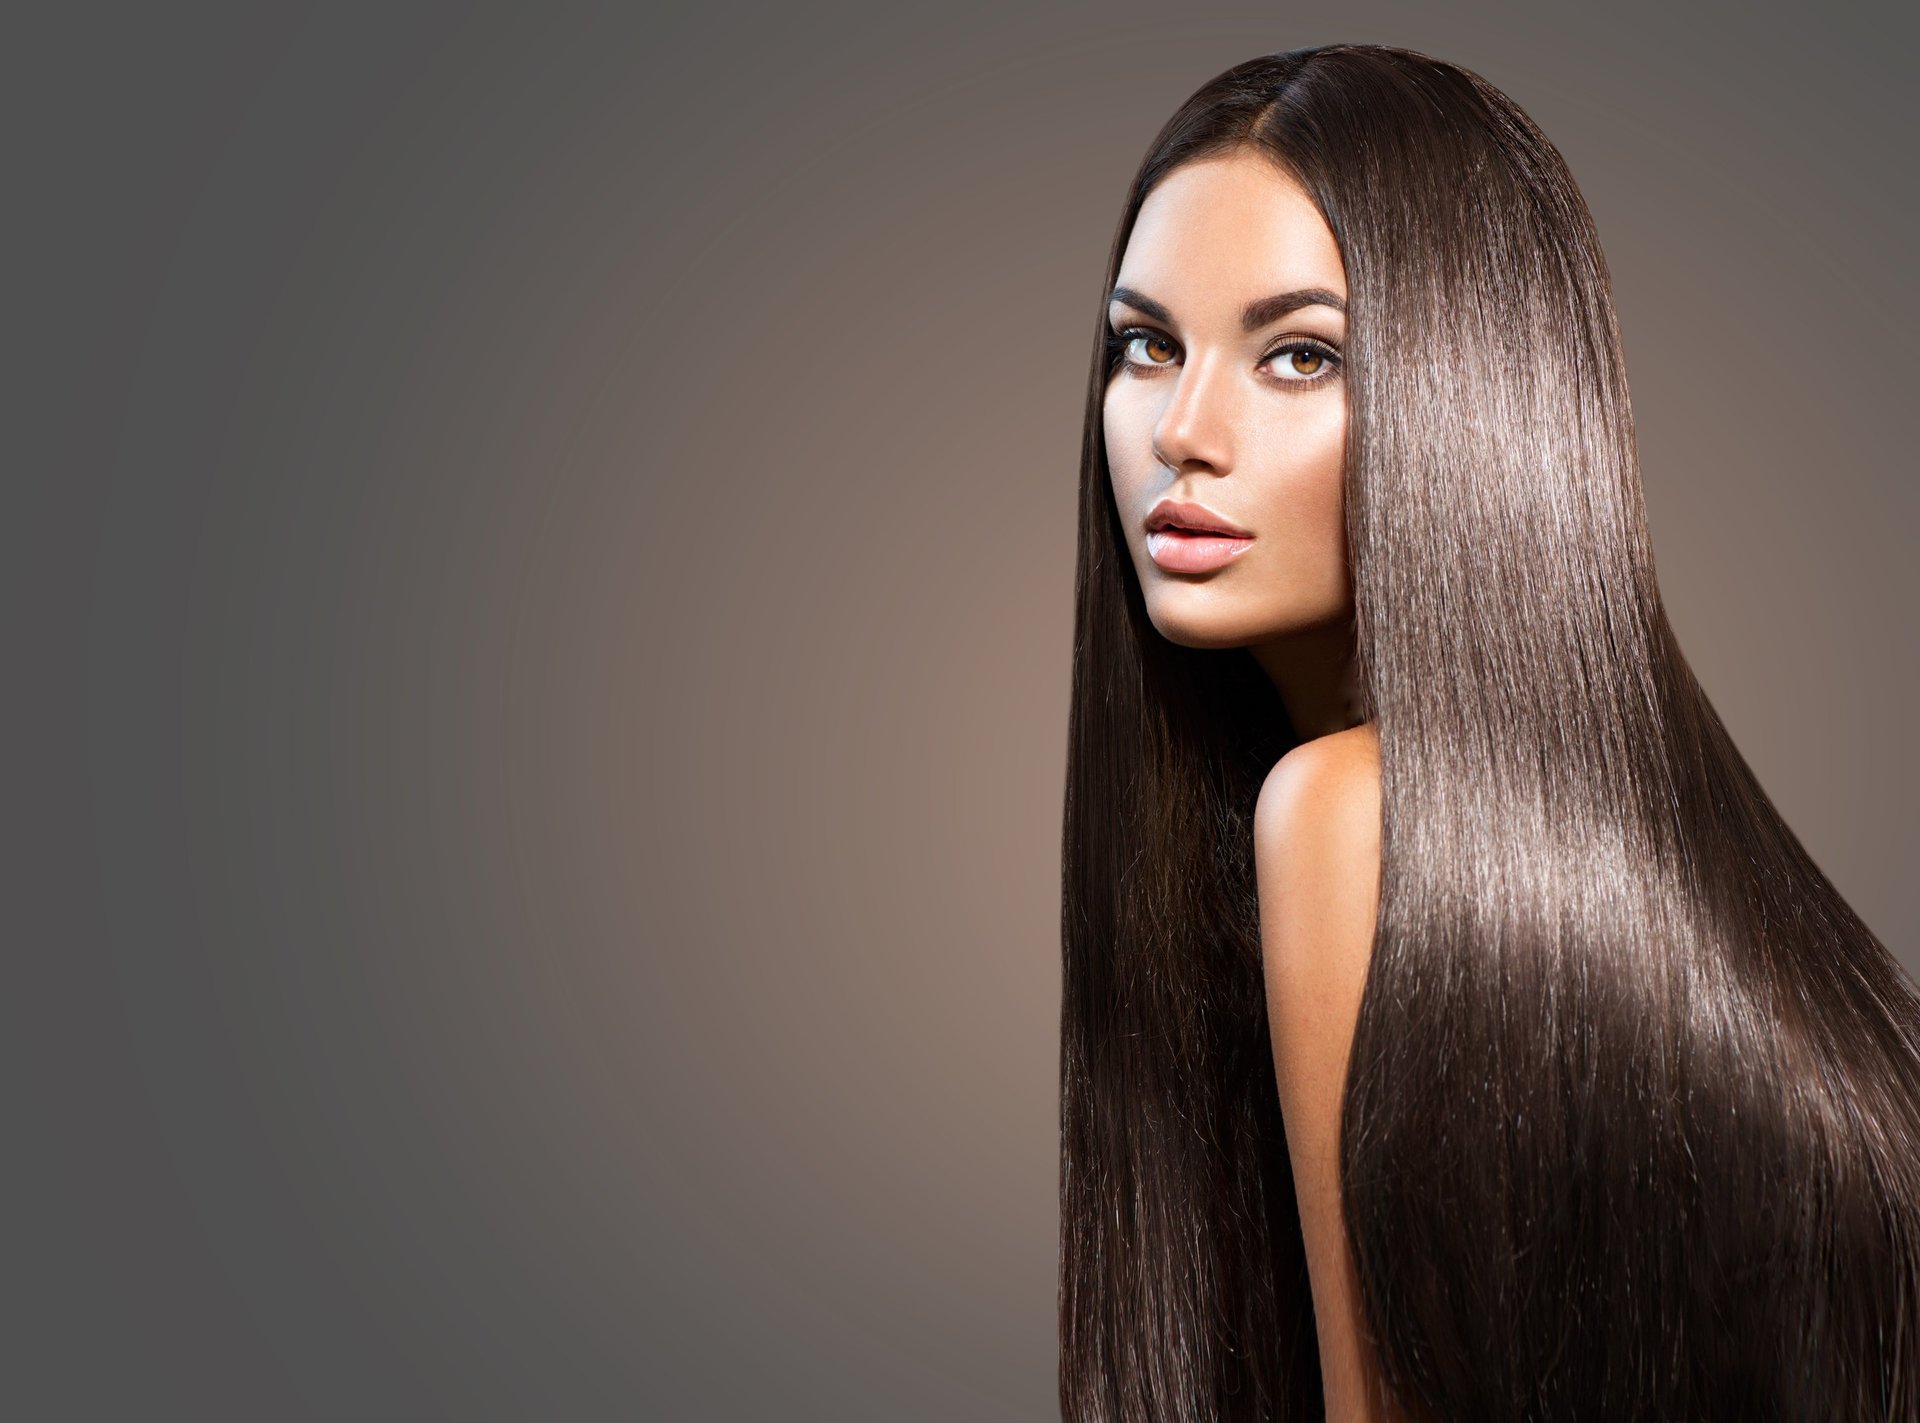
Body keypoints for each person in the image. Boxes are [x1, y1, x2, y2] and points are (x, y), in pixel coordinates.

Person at [1058, 43, 1920, 1423]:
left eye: (1300, 356)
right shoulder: (1618, 837)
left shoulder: (1345, 812)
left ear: (1471, 394)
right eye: (1146, 344)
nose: (1181, 430)